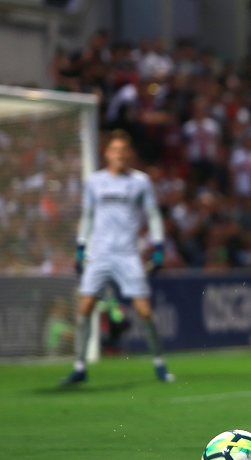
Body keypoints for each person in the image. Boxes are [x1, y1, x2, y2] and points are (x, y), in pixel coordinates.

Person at [60, 130, 174, 386]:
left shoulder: (140, 181)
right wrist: (81, 247)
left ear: (129, 154)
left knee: (144, 312)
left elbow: (153, 215)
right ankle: (79, 366)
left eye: (123, 150)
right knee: (85, 307)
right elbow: (87, 216)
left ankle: (159, 362)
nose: (119, 155)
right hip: (99, 254)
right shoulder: (94, 181)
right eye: (115, 150)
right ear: (107, 153)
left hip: (128, 254)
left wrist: (158, 246)